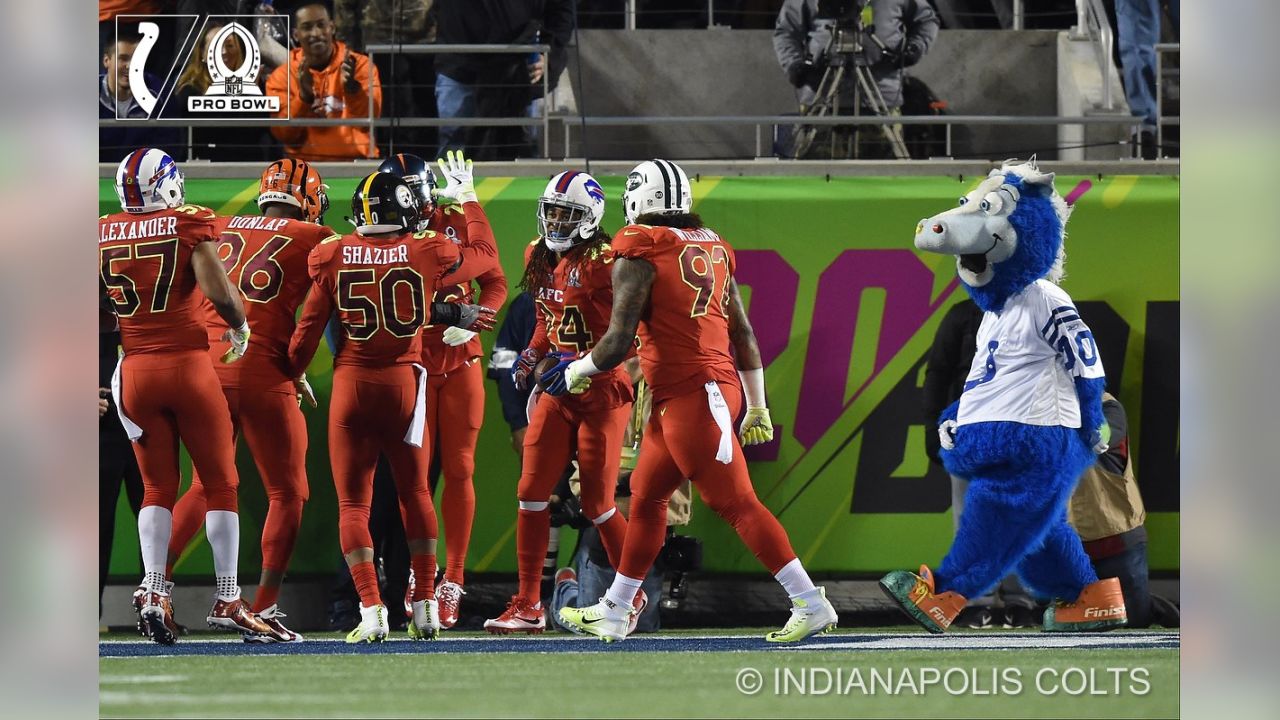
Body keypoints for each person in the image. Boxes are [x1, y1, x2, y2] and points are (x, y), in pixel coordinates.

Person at [555, 159, 839, 643]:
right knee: (646, 497)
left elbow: (619, 339)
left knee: (736, 504)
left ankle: (809, 602)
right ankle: (618, 608)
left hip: (692, 394)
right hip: (697, 391)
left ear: (639, 200)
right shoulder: (714, 247)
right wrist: (756, 405)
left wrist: (576, 371)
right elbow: (743, 333)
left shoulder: (639, 247)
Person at [287, 154, 496, 643]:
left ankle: (371, 608)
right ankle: (424, 603)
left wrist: (293, 374)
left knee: (353, 506)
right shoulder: (428, 249)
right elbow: (485, 255)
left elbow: (307, 330)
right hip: (406, 383)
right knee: (417, 492)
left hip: (353, 384)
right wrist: (468, 199)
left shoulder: (333, 252)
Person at [161, 159, 338, 643]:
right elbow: (312, 319)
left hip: (202, 365)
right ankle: (263, 607)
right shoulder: (317, 237)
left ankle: (156, 589)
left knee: (205, 486)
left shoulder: (217, 223)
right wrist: (293, 369)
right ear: (307, 198)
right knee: (288, 492)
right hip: (261, 368)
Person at [100, 148, 270, 645]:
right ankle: (228, 596)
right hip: (188, 366)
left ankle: (153, 589)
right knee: (221, 482)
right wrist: (239, 326)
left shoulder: (101, 231)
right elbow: (218, 292)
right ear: (166, 184)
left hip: (133, 370)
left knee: (156, 487)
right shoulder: (186, 223)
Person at [483, 171, 642, 635]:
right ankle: (529, 603)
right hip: (557, 385)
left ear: (590, 217)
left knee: (597, 503)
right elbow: (547, 315)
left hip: (602, 388)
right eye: (551, 211)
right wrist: (533, 352)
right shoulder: (537, 252)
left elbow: (626, 334)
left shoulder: (607, 262)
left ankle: (630, 593)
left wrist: (584, 366)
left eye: (566, 213)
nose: (555, 221)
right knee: (531, 493)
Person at [377, 153, 505, 629]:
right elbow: (480, 261)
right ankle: (422, 574)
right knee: (414, 474)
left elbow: (494, 281)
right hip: (412, 365)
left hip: (459, 361)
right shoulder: (387, 239)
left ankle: (451, 577)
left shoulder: (446, 218)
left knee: (460, 468)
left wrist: (477, 322)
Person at [773, 0, 939, 158]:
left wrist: (913, 50)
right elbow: (786, 31)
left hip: (881, 101)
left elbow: (927, 21)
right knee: (814, 178)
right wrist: (796, 66)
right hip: (822, 103)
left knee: (885, 179)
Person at [433, 0, 575, 159]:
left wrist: (548, 54)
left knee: (523, 149)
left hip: (520, 72)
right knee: (452, 148)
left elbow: (561, 12)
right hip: (460, 67)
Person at [265, 2, 382, 161]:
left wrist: (353, 89)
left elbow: (369, 121)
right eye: (307, 27)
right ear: (296, 35)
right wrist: (304, 97)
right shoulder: (281, 76)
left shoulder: (360, 65)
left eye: (321, 25)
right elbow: (284, 134)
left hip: (356, 164)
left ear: (332, 28)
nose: (316, 33)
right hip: (303, 167)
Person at [335, 0, 437, 154]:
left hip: (425, 42)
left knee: (425, 113)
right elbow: (344, 5)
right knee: (385, 112)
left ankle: (423, 161)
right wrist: (345, 48)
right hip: (377, 43)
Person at [99, 294, 143, 622]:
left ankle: (156, 608)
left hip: (147, 427)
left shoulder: (147, 303)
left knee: (155, 517)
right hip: (98, 431)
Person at [171, 22, 273, 161]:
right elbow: (221, 134)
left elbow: (258, 133)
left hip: (250, 167)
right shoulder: (190, 91)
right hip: (209, 169)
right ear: (202, 54)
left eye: (229, 45)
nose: (224, 51)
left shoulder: (255, 84)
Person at [99, 32, 181, 162]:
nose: (130, 66)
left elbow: (169, 146)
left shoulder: (160, 93)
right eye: (123, 58)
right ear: (106, 61)